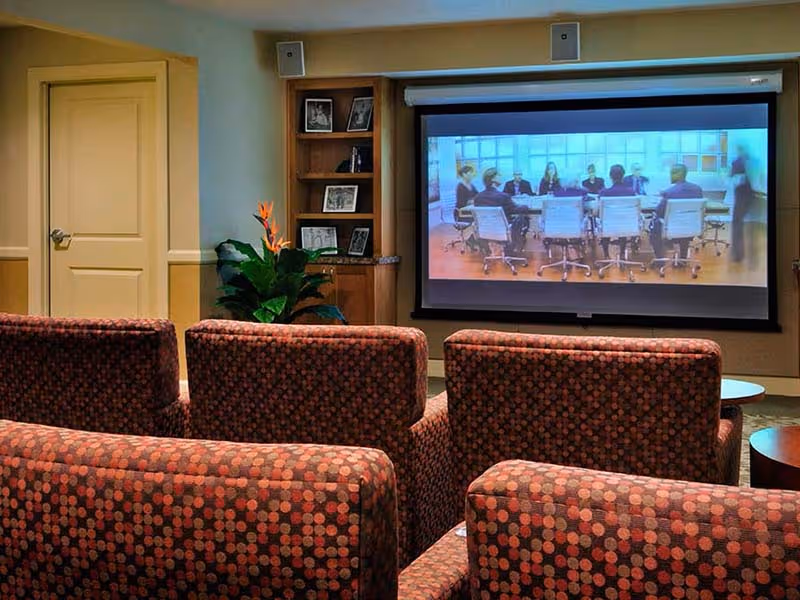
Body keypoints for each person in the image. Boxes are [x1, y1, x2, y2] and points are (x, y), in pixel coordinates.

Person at [650, 164, 704, 259]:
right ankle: (683, 258)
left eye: (672, 173)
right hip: (691, 227)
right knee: (684, 222)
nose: (670, 176)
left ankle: (660, 260)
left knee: (655, 225)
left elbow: (659, 211)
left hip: (673, 228)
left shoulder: (670, 192)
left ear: (678, 174)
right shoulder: (697, 189)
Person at [473, 168, 528, 253]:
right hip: (502, 230)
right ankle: (514, 246)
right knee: (521, 218)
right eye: (499, 175)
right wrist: (526, 206)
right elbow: (516, 209)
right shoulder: (503, 196)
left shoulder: (477, 197)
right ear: (493, 179)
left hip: (485, 230)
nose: (501, 177)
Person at [598, 164, 636, 259]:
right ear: (623, 175)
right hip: (625, 224)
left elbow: (598, 211)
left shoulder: (604, 192)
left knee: (605, 223)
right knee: (622, 222)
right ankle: (622, 253)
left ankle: (606, 255)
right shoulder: (631, 192)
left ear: (610, 177)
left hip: (608, 225)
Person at [730, 145, 755, 264]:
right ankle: (740, 254)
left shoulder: (737, 162)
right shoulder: (751, 161)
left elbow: (733, 177)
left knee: (737, 223)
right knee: (741, 223)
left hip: (742, 195)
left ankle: (738, 255)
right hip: (751, 195)